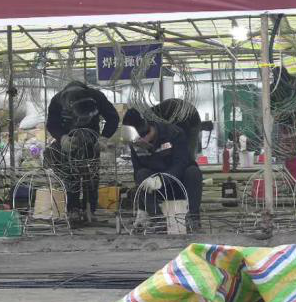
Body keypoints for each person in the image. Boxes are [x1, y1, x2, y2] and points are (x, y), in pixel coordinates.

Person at [45, 80, 120, 223]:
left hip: (92, 140)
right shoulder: (57, 101)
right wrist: (62, 138)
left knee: (91, 175)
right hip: (69, 141)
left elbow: (113, 117)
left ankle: (89, 209)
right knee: (70, 174)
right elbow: (52, 124)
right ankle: (73, 209)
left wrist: (104, 137)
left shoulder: (97, 97)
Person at [122, 107, 202, 231]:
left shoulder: (174, 133)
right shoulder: (136, 144)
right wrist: (141, 208)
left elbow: (181, 164)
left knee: (193, 172)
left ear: (147, 133)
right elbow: (137, 172)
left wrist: (162, 179)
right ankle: (158, 220)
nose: (136, 145)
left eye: (138, 141)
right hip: (158, 191)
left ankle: (193, 219)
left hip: (181, 185)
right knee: (141, 174)